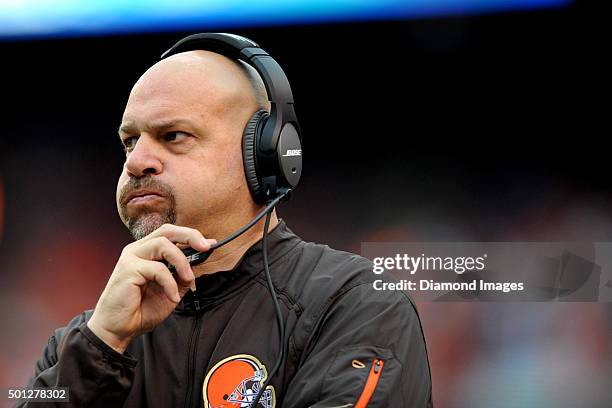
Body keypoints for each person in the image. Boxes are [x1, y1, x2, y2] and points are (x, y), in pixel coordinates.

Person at [18, 33, 433, 408]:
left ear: (264, 153)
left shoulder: (357, 306)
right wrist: (100, 345)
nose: (136, 161)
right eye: (130, 141)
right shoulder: (83, 340)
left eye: (173, 135)